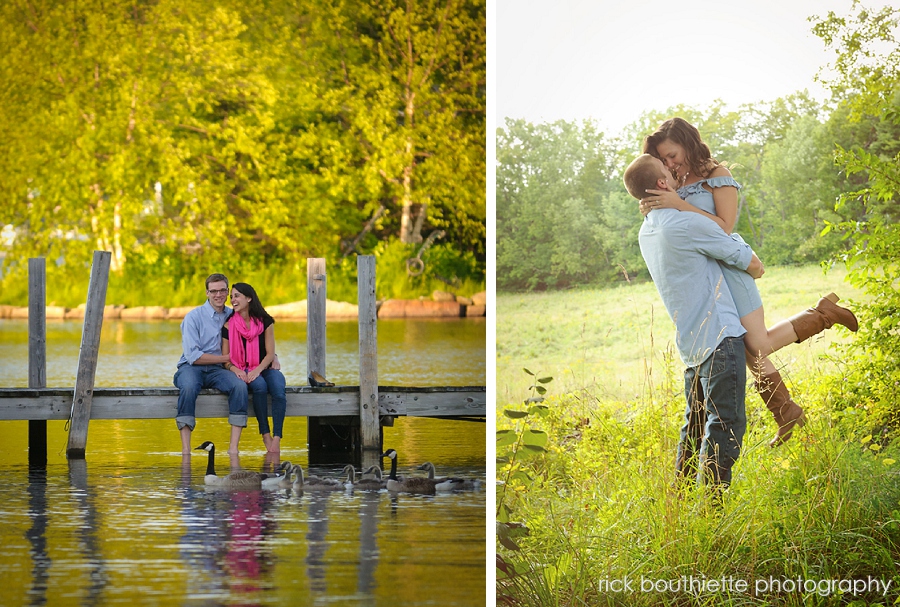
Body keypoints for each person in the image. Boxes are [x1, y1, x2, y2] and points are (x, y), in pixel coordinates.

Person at [639, 117, 858, 447]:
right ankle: (787, 411)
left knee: (755, 346)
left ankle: (821, 319)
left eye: (672, 154)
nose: (670, 163)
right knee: (748, 347)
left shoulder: (718, 174)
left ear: (687, 142)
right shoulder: (672, 182)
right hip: (704, 274)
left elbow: (724, 227)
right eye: (663, 159)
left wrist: (678, 204)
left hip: (730, 266)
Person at [624, 153, 762, 489]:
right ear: (661, 184)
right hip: (719, 337)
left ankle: (682, 498)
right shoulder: (688, 224)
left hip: (691, 344)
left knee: (696, 425)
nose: (673, 173)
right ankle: (711, 510)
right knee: (725, 425)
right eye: (667, 171)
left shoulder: (647, 232)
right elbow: (753, 264)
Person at [174, 273, 249, 455]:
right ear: (207, 293)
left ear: (228, 291)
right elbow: (193, 356)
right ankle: (186, 450)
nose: (218, 295)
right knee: (190, 386)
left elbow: (255, 338)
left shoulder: (234, 316)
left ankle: (233, 449)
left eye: (222, 290)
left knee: (239, 386)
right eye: (213, 291)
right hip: (191, 368)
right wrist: (226, 358)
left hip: (219, 371)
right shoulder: (193, 317)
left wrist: (274, 356)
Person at [222, 282, 288, 454]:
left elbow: (270, 353)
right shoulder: (228, 326)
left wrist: (257, 370)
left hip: (263, 367)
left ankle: (277, 437)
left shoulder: (265, 322)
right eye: (232, 297)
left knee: (279, 389)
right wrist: (237, 370)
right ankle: (265, 434)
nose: (233, 300)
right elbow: (226, 360)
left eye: (237, 296)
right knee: (259, 386)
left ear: (249, 298)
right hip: (241, 368)